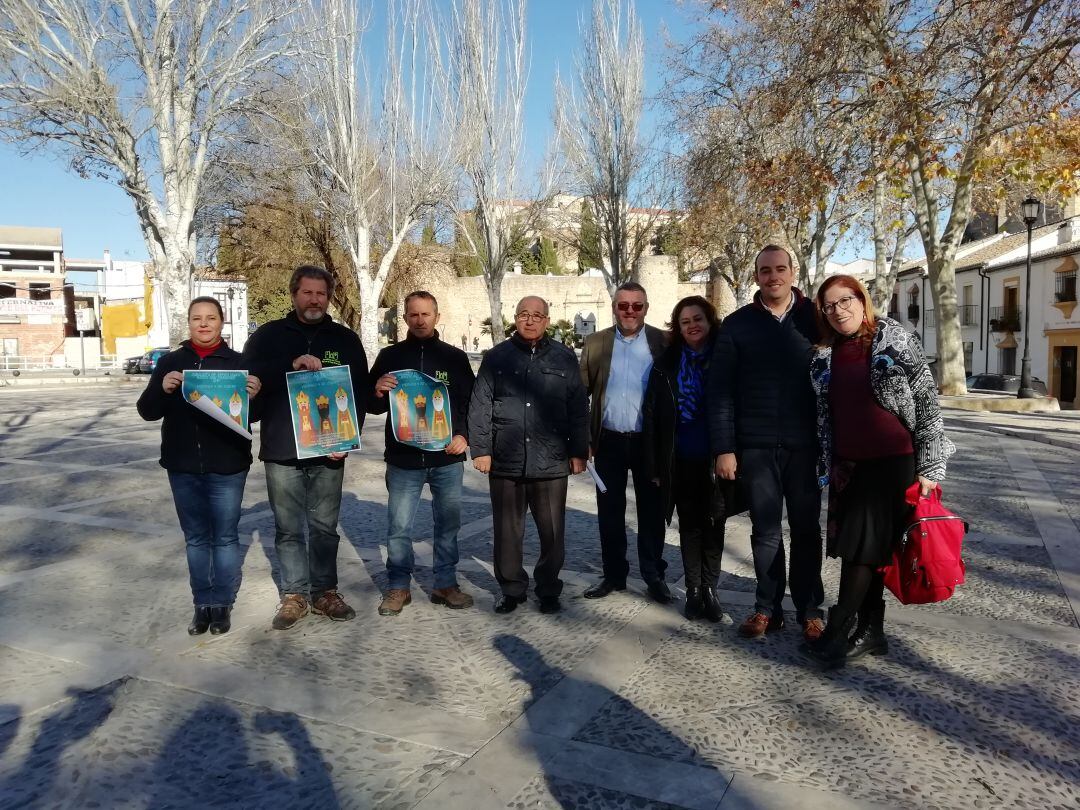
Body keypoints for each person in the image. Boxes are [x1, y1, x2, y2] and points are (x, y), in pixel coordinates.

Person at [805, 275, 955, 667]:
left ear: (862, 299)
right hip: (848, 467)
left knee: (861, 552)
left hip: (892, 464)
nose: (839, 311)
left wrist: (930, 466)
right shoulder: (824, 354)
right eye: (829, 306)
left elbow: (926, 402)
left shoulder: (895, 339)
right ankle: (872, 632)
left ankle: (837, 630)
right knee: (869, 553)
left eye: (845, 301)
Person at [708, 245, 826, 642]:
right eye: (765, 270)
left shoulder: (816, 319)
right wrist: (724, 448)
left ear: (792, 272)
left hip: (805, 446)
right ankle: (767, 608)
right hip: (755, 446)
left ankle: (810, 610)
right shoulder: (737, 324)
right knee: (765, 530)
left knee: (807, 530)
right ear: (756, 276)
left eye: (779, 269)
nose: (773, 276)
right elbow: (720, 390)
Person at [242, 265, 368, 630]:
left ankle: (325, 591)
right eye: (308, 293)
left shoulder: (345, 339)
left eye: (321, 294)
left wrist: (349, 438)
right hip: (282, 449)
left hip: (330, 450)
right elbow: (246, 379)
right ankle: (294, 595)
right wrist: (288, 365)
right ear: (294, 294)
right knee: (288, 529)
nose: (315, 300)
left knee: (325, 527)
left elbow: (359, 393)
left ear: (328, 297)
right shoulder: (268, 336)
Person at [137, 297, 261, 636]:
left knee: (224, 537)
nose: (204, 324)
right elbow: (147, 411)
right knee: (195, 539)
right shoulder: (171, 362)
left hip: (228, 464)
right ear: (189, 322)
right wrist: (162, 389)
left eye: (211, 318)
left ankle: (222, 603)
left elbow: (255, 415)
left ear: (222, 322)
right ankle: (201, 604)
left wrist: (254, 397)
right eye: (197, 318)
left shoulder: (240, 363)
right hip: (183, 465)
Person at [468, 296, 589, 614]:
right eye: (524, 314)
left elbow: (578, 408)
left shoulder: (564, 357)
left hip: (551, 461)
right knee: (507, 532)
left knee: (552, 533)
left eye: (537, 315)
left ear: (547, 320)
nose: (530, 320)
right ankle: (511, 589)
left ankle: (548, 589)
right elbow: (480, 405)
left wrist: (579, 451)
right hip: (505, 459)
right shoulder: (496, 357)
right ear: (515, 318)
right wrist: (481, 450)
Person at [367, 291, 476, 615]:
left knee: (448, 526)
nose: (419, 320)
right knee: (399, 527)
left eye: (425, 314)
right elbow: (371, 405)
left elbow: (471, 403)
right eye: (413, 315)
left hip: (447, 457)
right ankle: (398, 586)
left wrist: (464, 436)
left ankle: (445, 584)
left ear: (437, 317)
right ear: (404, 319)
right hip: (404, 459)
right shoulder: (389, 357)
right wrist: (377, 390)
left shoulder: (455, 358)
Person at [643, 296, 736, 623]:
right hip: (679, 458)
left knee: (714, 523)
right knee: (689, 526)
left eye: (698, 319)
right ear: (678, 328)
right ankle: (694, 590)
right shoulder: (666, 364)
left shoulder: (725, 359)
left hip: (716, 458)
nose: (692, 326)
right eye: (685, 322)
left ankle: (711, 589)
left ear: (709, 321)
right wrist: (655, 465)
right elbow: (652, 416)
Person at [579, 282, 670, 603]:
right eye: (623, 305)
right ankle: (614, 575)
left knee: (652, 513)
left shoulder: (663, 342)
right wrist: (584, 438)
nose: (630, 311)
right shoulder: (596, 343)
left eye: (637, 305)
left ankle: (653, 575)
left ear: (646, 308)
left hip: (650, 444)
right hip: (608, 442)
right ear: (614, 307)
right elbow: (580, 393)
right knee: (610, 512)